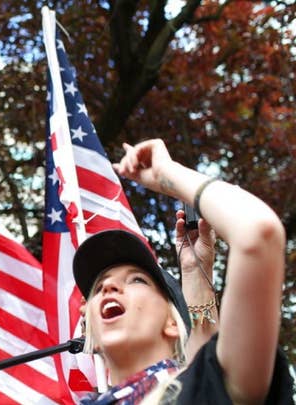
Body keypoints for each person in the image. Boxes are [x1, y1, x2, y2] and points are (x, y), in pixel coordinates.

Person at [73, 139, 293, 404]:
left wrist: (167, 172)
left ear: (172, 323)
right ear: (91, 336)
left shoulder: (198, 391)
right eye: (98, 288)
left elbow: (259, 234)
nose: (108, 288)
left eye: (137, 280)